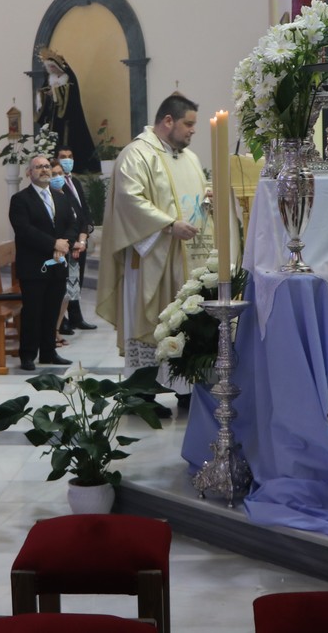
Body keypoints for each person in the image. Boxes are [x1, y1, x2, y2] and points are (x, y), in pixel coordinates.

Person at [96, 93, 211, 418]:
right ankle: (142, 393)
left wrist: (207, 202)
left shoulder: (187, 158)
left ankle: (187, 389)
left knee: (187, 323)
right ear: (168, 121)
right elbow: (129, 201)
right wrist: (168, 225)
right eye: (188, 124)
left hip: (188, 259)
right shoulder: (136, 155)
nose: (192, 131)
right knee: (150, 323)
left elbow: (197, 198)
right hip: (150, 260)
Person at [9, 154, 79, 371]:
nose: (44, 170)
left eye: (47, 166)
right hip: (33, 266)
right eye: (38, 167)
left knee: (51, 311)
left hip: (58, 265)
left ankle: (49, 352)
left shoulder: (60, 197)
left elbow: (72, 224)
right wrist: (54, 244)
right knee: (33, 312)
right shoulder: (20, 199)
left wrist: (65, 243)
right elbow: (25, 230)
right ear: (29, 172)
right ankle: (28, 355)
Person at [51, 151, 96, 334]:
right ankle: (60, 324)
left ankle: (74, 318)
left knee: (74, 285)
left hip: (78, 241)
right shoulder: (52, 196)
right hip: (63, 247)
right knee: (64, 288)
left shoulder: (72, 185)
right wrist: (72, 244)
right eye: (54, 174)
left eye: (59, 174)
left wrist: (83, 238)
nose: (58, 177)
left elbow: (80, 214)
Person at [35, 47, 99, 173]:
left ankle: (72, 167)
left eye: (53, 67)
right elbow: (43, 93)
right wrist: (43, 95)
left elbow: (69, 97)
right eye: (50, 68)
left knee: (69, 141)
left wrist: (54, 92)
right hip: (53, 118)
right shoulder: (50, 80)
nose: (51, 70)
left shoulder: (68, 79)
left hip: (67, 119)